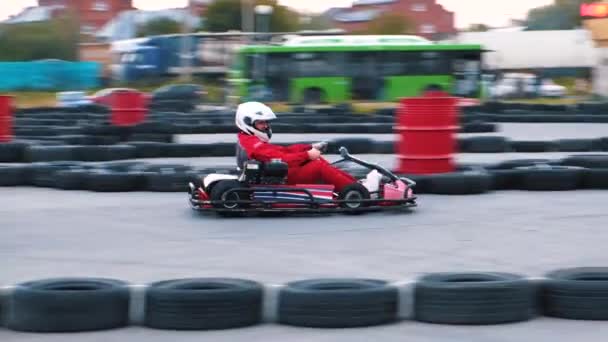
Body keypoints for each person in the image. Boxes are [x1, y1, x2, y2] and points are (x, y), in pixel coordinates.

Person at [235, 101, 359, 192]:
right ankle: (354, 191)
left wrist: (309, 147)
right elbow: (281, 159)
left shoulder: (249, 139)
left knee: (317, 160)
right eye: (261, 123)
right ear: (247, 122)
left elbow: (283, 150)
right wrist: (307, 155)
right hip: (274, 179)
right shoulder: (252, 144)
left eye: (266, 122)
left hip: (273, 174)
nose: (266, 126)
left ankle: (354, 185)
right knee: (318, 165)